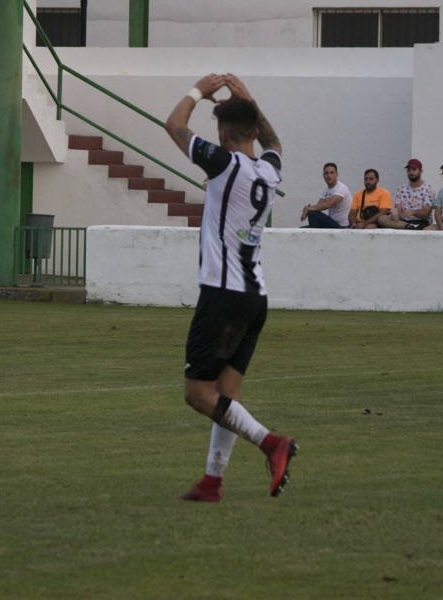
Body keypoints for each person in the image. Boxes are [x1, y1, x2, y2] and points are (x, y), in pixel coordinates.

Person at [164, 73, 297, 503]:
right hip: (255, 296)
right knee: (228, 396)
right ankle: (212, 481)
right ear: (254, 130)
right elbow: (274, 141)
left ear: (221, 135)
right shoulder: (269, 168)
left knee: (197, 393)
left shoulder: (222, 162)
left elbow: (173, 125)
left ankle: (271, 443)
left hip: (223, 293)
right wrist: (250, 100)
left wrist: (198, 91)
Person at [376, 159, 435, 229]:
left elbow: (426, 213)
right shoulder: (401, 189)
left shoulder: (428, 189)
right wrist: (394, 214)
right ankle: (409, 226)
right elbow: (398, 209)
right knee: (382, 218)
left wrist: (413, 212)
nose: (411, 172)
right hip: (403, 221)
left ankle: (410, 226)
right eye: (409, 170)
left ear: (421, 171)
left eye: (414, 169)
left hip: (421, 221)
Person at [300, 163, 351, 228]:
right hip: (331, 223)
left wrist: (309, 209)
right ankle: (315, 233)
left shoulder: (341, 188)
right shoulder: (326, 189)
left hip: (342, 226)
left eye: (331, 173)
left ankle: (315, 235)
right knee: (299, 230)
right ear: (323, 175)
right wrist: (308, 209)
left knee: (312, 214)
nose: (329, 175)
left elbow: (327, 205)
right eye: (326, 173)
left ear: (337, 174)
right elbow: (319, 206)